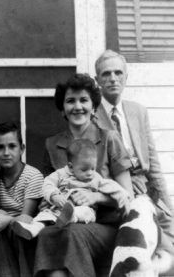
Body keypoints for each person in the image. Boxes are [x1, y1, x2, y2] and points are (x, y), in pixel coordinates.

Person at [34, 73, 134, 277]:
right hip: (63, 219)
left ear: (94, 106)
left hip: (105, 225)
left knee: (71, 234)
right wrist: (54, 201)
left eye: (84, 100)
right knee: (47, 234)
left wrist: (96, 197)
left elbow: (128, 195)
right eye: (70, 101)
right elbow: (46, 187)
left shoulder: (109, 139)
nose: (77, 106)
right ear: (63, 109)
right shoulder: (52, 144)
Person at [94, 49, 174, 273]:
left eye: (118, 73)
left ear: (126, 77)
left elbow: (154, 167)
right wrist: (127, 180)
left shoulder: (138, 111)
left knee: (170, 244)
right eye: (106, 74)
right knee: (154, 253)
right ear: (97, 80)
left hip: (148, 193)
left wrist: (168, 207)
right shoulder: (91, 116)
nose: (112, 78)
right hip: (118, 198)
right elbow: (95, 168)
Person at [12, 139, 131, 240]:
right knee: (44, 215)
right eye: (84, 170)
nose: (90, 173)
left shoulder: (96, 178)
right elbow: (47, 184)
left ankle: (69, 216)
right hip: (59, 208)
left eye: (93, 168)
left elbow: (113, 188)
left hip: (84, 210)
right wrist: (54, 196)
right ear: (71, 166)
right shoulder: (60, 174)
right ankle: (33, 229)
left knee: (84, 212)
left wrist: (122, 196)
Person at [0, 121, 43, 277]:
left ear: (22, 149)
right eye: (0, 147)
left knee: (9, 231)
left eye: (12, 146)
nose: (6, 152)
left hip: (25, 233)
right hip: (0, 228)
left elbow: (26, 217)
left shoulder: (32, 176)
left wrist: (7, 219)